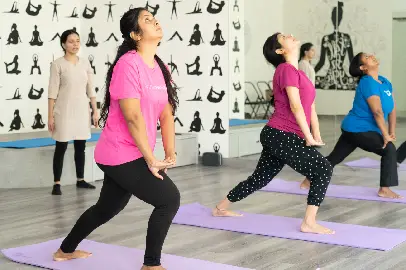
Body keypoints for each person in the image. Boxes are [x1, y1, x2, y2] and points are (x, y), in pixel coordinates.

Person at [52, 8, 180, 270]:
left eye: (152, 16)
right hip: (119, 153)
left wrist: (170, 152)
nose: (154, 20)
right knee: (169, 199)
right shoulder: (127, 65)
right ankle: (151, 265)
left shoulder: (160, 66)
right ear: (135, 34)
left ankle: (65, 250)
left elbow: (166, 114)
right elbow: (132, 117)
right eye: (146, 19)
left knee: (106, 209)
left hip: (134, 152)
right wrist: (151, 159)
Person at [212, 33, 334, 235]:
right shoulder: (285, 69)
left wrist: (316, 133)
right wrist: (308, 137)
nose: (291, 36)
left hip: (280, 134)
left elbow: (310, 106)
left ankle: (220, 208)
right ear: (280, 50)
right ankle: (309, 223)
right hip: (281, 133)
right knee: (323, 169)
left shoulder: (300, 73)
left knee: (259, 178)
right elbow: (295, 106)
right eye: (284, 37)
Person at [300, 52, 403, 199]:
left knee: (335, 157)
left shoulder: (384, 81)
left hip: (355, 129)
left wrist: (391, 132)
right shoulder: (367, 82)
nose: (372, 56)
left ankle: (309, 179)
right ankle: (384, 189)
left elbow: (391, 109)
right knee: (389, 149)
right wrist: (385, 135)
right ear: (363, 67)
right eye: (367, 58)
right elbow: (378, 111)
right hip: (358, 129)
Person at [48, 29, 98, 195]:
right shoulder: (57, 64)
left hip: (82, 110)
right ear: (63, 44)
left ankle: (80, 180)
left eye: (77, 41)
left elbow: (90, 89)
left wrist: (95, 111)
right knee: (61, 146)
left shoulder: (85, 63)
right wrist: (50, 116)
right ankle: (57, 183)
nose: (75, 44)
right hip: (63, 111)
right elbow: (52, 92)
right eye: (71, 41)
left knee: (80, 146)